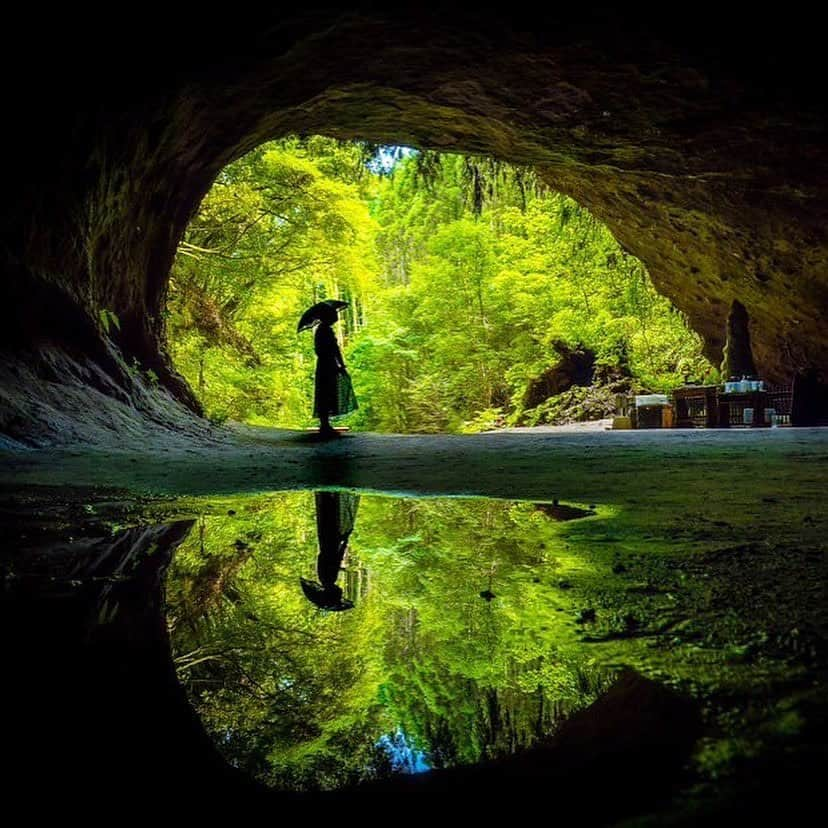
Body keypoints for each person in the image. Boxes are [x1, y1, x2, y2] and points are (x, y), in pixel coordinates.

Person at [297, 299, 358, 438]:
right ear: (327, 316)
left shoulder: (324, 330)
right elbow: (328, 349)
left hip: (327, 364)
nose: (336, 316)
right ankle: (324, 425)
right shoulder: (323, 331)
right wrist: (338, 364)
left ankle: (326, 424)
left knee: (328, 392)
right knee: (325, 392)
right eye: (333, 313)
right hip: (327, 365)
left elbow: (333, 349)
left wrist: (340, 364)